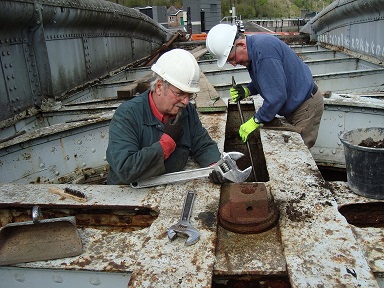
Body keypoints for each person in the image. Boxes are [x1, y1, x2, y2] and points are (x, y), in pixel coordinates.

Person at [106, 48, 225, 185]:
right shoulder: (127, 115)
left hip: (168, 188)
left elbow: (203, 144)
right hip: (128, 195)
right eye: (180, 93)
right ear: (159, 87)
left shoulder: (187, 111)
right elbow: (126, 169)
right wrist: (166, 143)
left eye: (190, 95)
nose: (186, 101)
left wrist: (214, 165)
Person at [206, 24, 324, 148]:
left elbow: (277, 96)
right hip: (298, 105)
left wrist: (256, 120)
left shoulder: (263, 53)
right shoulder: (256, 49)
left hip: (305, 107)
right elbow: (270, 81)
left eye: (232, 58)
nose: (234, 64)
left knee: (298, 152)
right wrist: (248, 90)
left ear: (241, 45)